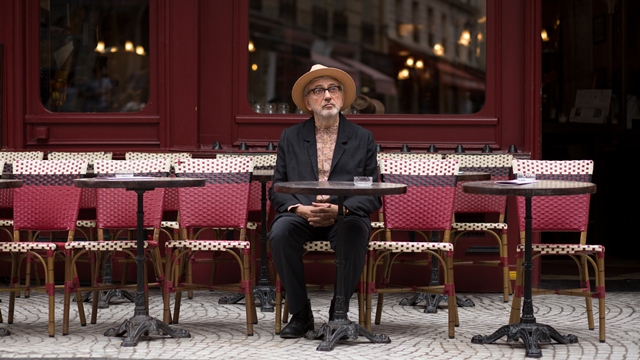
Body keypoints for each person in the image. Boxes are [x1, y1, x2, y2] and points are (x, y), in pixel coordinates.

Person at [268, 64, 381, 338]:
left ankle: (338, 314)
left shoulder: (363, 138)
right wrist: (300, 208)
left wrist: (341, 209)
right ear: (308, 101)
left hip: (345, 212)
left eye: (333, 89)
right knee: (279, 234)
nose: (327, 96)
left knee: (355, 231)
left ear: (342, 98)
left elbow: (373, 192)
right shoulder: (290, 137)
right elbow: (278, 188)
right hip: (301, 213)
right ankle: (301, 314)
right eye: (319, 90)